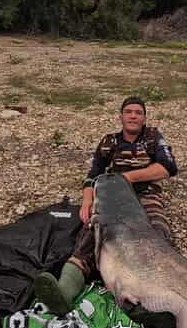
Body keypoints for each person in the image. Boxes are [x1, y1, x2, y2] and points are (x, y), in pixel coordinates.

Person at [32, 96, 178, 314]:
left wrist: (127, 178)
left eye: (138, 112)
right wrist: (87, 201)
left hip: (146, 195)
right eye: (128, 112)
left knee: (158, 234)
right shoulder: (109, 141)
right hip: (112, 196)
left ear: (144, 118)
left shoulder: (154, 138)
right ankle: (63, 292)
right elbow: (93, 175)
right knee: (90, 234)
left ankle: (157, 303)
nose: (133, 116)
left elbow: (167, 167)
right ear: (121, 116)